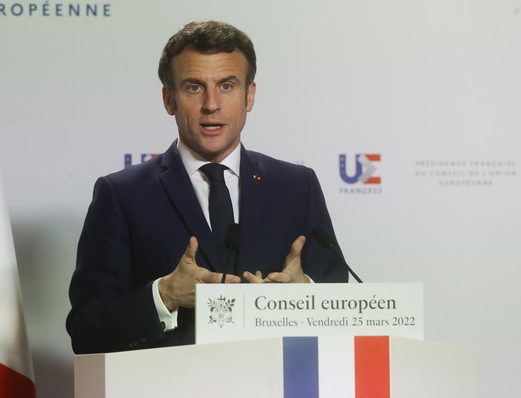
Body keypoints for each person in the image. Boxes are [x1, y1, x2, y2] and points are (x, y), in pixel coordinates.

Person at [66, 20, 348, 354]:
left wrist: (306, 293)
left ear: (250, 96)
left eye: (227, 86)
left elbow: (341, 307)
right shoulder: (122, 195)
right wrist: (164, 295)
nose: (211, 104)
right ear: (169, 99)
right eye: (194, 87)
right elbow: (85, 330)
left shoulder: (297, 186)